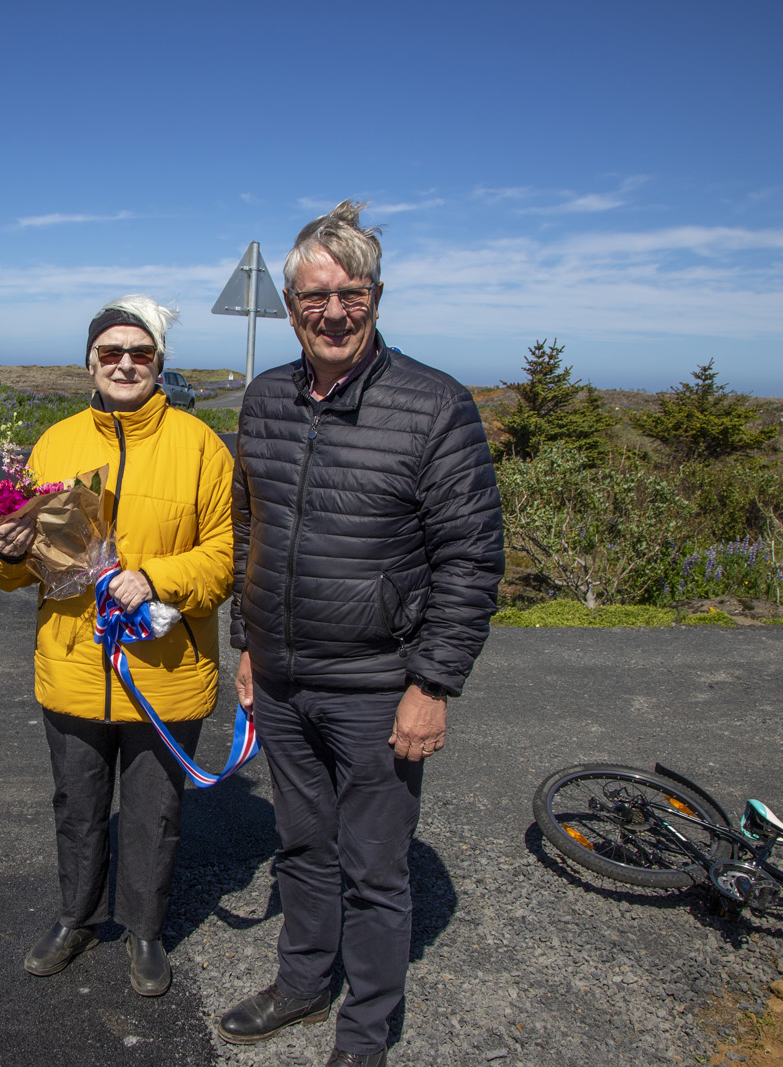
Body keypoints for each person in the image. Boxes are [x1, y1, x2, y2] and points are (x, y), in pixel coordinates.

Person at [218, 201, 504, 1067]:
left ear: (376, 296)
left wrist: (432, 684)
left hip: (381, 685)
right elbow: (247, 528)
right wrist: (250, 644)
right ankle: (304, 982)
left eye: (352, 295)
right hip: (283, 678)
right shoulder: (266, 398)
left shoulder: (433, 405)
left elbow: (471, 559)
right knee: (301, 844)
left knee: (376, 870)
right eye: (315, 297)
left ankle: (366, 1032)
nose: (333, 313)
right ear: (292, 302)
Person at [0, 296, 233, 999]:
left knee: (154, 812)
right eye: (111, 352)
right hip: (71, 665)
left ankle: (146, 930)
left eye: (140, 352)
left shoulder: (202, 446)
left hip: (166, 673)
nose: (126, 363)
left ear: (159, 361)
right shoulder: (55, 443)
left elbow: (225, 558)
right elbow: (12, 564)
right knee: (78, 802)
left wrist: (156, 576)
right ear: (90, 362)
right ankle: (77, 917)